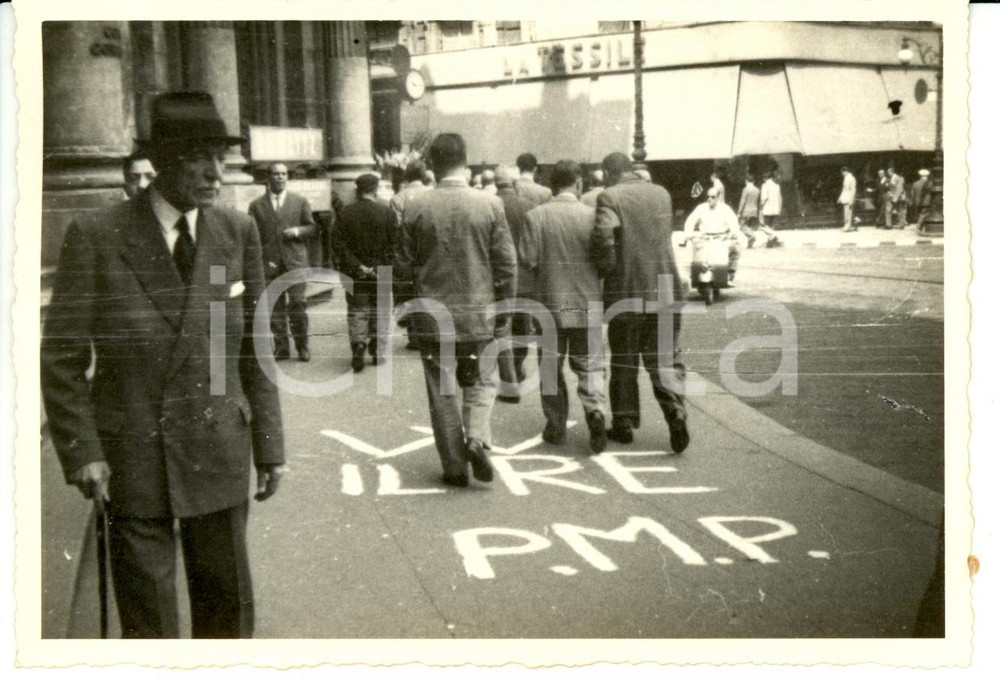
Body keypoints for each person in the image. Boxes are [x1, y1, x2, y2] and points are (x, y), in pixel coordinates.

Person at [41, 91, 285, 639]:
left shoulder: (234, 232)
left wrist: (269, 444)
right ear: (166, 160)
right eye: (203, 157)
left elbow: (250, 348)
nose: (217, 172)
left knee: (226, 611)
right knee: (149, 621)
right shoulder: (99, 236)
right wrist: (83, 451)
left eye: (223, 159)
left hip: (218, 445)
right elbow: (62, 356)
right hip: (134, 454)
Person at [395, 133, 517, 487]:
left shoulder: (415, 206)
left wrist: (408, 310)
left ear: (432, 164)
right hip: (479, 313)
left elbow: (402, 267)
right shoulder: (490, 205)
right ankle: (476, 438)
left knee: (442, 389)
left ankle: (453, 467)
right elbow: (506, 265)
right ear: (466, 161)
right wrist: (505, 309)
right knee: (482, 380)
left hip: (433, 317)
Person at [590, 152, 689, 454]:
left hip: (627, 291)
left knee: (625, 360)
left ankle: (624, 424)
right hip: (665, 289)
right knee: (663, 359)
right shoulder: (661, 193)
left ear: (609, 173)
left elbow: (605, 233)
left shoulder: (610, 196)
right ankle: (675, 410)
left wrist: (605, 267)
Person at [520, 160, 608, 454]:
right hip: (585, 303)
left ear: (552, 184)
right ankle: (595, 410)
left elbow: (528, 259)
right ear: (579, 183)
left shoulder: (536, 217)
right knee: (589, 364)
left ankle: (556, 425)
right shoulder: (593, 215)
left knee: (550, 367)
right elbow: (604, 259)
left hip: (549, 304)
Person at [248, 161, 317, 362]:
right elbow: (252, 236)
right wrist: (262, 259)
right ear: (268, 178)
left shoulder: (299, 201)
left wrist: (297, 231)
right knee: (275, 308)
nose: (280, 178)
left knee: (298, 305)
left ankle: (302, 346)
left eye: (284, 174)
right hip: (270, 264)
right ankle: (281, 347)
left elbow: (312, 228)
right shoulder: (256, 205)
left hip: (295, 263)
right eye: (276, 174)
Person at [333, 173, 397, 372]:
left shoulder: (345, 213)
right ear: (376, 189)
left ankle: (359, 345)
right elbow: (394, 245)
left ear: (357, 190)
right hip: (382, 271)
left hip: (354, 272)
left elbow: (338, 244)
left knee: (357, 310)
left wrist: (357, 265)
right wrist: (379, 267)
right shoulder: (387, 213)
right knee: (380, 310)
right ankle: (377, 350)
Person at [493, 164, 536, 402]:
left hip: (496, 279)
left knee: (501, 330)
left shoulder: (487, 205)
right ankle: (517, 368)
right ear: (515, 183)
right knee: (521, 327)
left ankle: (508, 379)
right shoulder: (528, 207)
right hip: (525, 279)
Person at [389, 161, 433, 350]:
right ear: (423, 175)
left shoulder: (398, 198)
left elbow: (396, 229)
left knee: (409, 292)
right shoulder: (432, 194)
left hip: (406, 251)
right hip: (429, 249)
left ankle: (414, 334)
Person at [682, 185, 741, 282]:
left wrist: (734, 233)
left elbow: (733, 222)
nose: (710, 199)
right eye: (708, 197)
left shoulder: (725, 209)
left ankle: (730, 272)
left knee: (735, 247)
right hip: (704, 237)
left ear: (718, 198)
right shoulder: (701, 208)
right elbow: (690, 221)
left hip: (721, 237)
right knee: (696, 254)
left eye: (713, 197)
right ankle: (695, 274)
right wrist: (688, 233)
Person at [759, 171, 783, 243]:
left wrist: (761, 206)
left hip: (767, 208)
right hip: (775, 208)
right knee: (771, 225)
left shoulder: (764, 186)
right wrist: (779, 208)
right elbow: (780, 198)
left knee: (764, 225)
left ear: (765, 178)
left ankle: (773, 237)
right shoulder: (777, 186)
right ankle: (770, 241)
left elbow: (764, 198)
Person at [839, 166, 858, 232]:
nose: (842, 174)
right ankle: (847, 226)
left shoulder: (851, 178)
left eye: (842, 172)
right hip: (846, 197)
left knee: (848, 213)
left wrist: (851, 199)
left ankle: (847, 227)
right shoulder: (846, 178)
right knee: (847, 213)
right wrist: (840, 198)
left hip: (849, 197)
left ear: (845, 171)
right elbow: (844, 189)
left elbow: (853, 190)